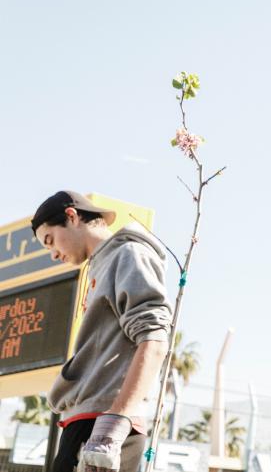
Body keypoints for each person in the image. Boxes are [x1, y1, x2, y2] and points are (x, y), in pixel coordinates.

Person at [31, 191, 172, 472]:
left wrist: (115, 423)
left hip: (103, 424)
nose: (53, 254)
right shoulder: (100, 265)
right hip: (85, 420)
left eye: (50, 241)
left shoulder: (128, 254)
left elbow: (154, 340)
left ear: (72, 216)